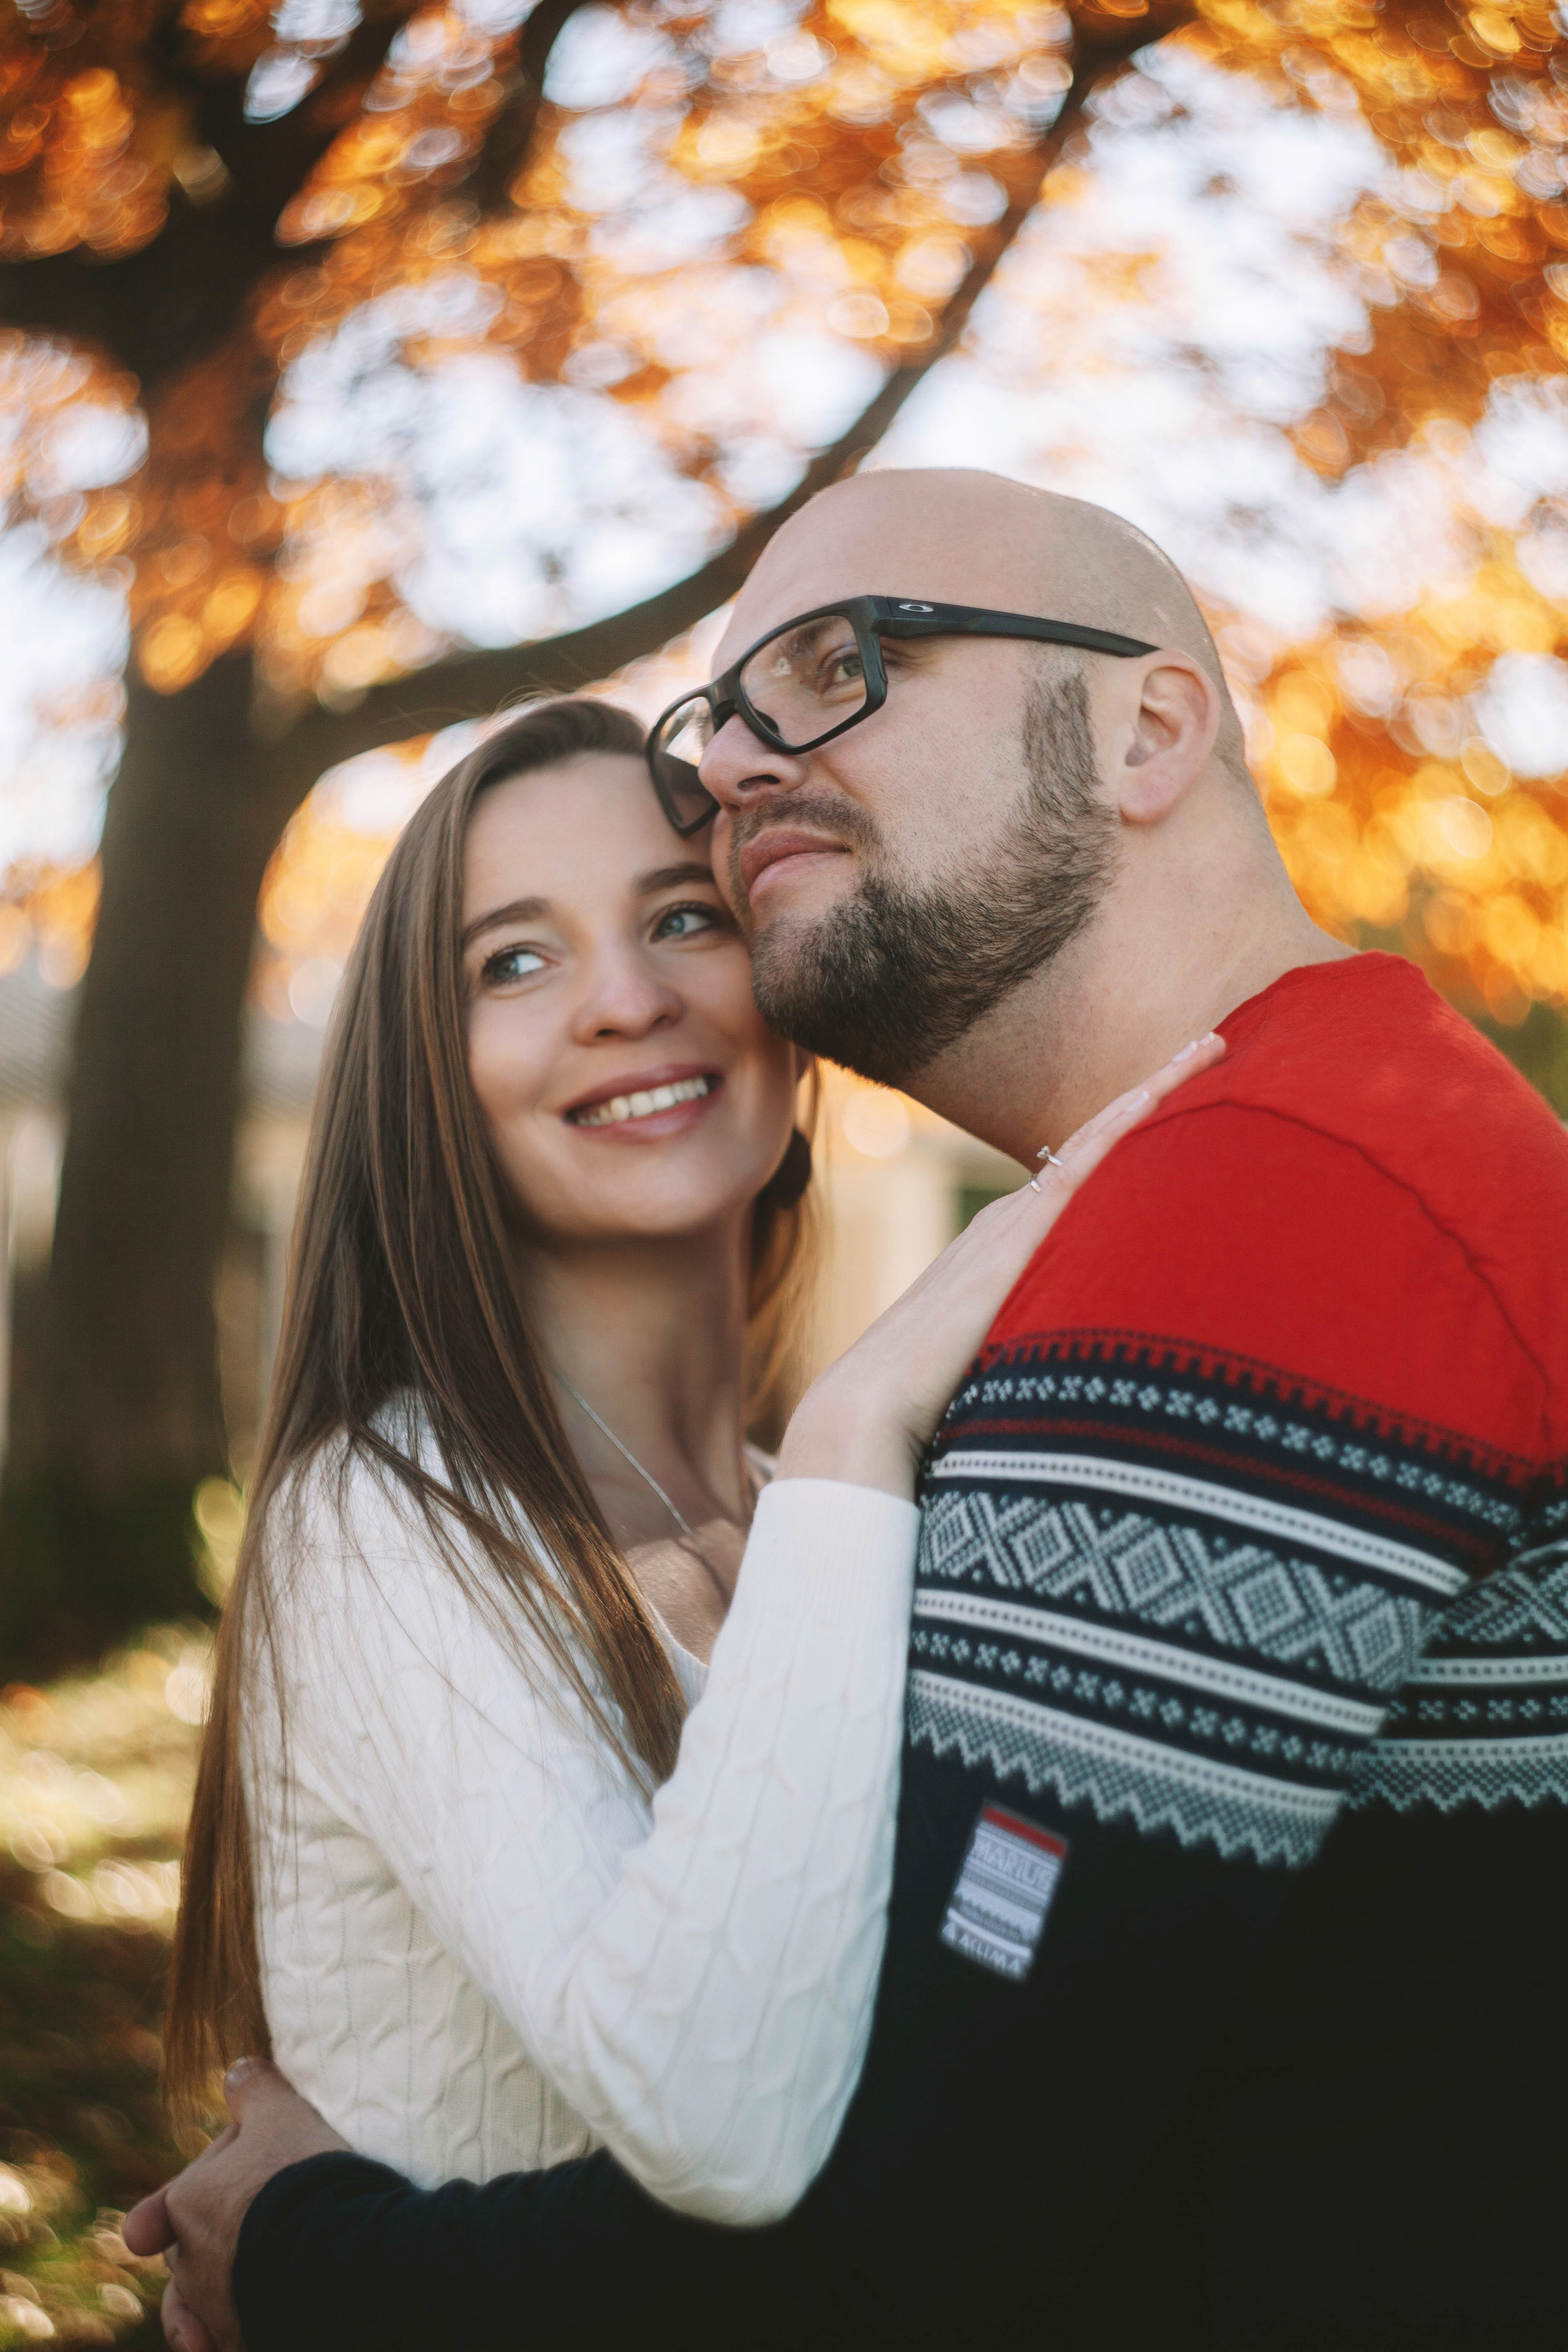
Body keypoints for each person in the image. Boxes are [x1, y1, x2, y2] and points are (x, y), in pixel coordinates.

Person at [131, 472, 1568, 2352]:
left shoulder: (1271, 1204)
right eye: (717, 717)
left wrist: (317, 2258)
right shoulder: (1228, 1188)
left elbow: (925, 2221)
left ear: (1146, 730)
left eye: (837, 663)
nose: (733, 769)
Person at [149, 687, 1205, 2282]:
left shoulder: (823, 1517)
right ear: (427, 1071)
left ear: (787, 992)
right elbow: (725, 2127)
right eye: (516, 959)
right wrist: (863, 1433)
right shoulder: (388, 1520)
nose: (625, 1000)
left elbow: (1005, 2061)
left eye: (687, 919)